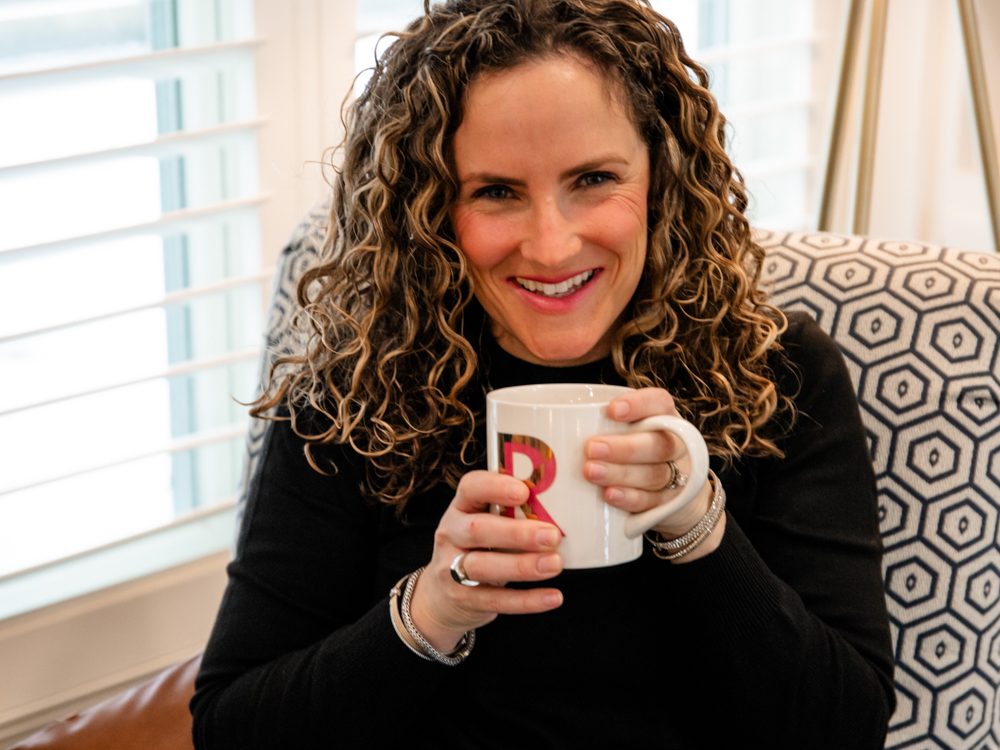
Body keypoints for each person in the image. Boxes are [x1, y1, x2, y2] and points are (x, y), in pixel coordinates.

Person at [191, 1, 895, 747]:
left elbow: (845, 726)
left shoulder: (776, 372)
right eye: (496, 191)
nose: (552, 248)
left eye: (593, 178)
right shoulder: (357, 392)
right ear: (429, 209)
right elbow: (233, 727)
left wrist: (696, 524)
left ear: (662, 176)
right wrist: (429, 614)